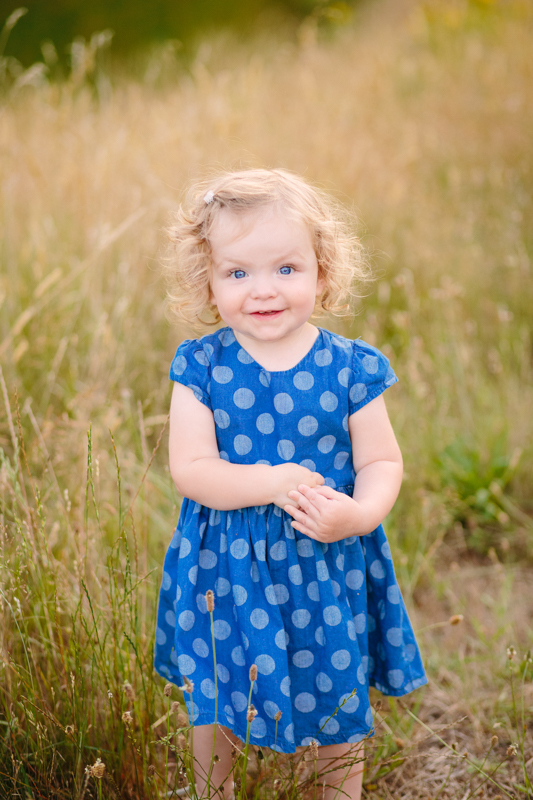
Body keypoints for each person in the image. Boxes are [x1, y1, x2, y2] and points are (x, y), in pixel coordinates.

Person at [154, 168, 427, 800]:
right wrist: (270, 481)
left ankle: (337, 792)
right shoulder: (201, 365)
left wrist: (359, 517)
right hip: (228, 568)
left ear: (322, 272)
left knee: (336, 689)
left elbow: (382, 462)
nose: (263, 291)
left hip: (327, 558)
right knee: (221, 697)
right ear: (209, 282)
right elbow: (192, 471)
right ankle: (212, 791)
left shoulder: (351, 366)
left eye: (286, 269)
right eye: (238, 273)